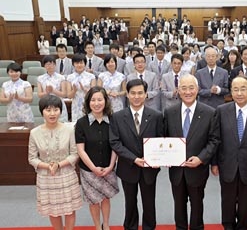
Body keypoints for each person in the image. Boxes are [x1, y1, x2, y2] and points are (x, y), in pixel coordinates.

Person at [211, 75, 247, 230]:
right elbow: (216, 140)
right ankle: (228, 226)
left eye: (243, 89)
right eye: (235, 89)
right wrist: (214, 163)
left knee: (245, 202)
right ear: (231, 91)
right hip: (227, 164)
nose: (239, 93)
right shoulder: (222, 110)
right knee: (227, 200)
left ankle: (242, 226)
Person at [164, 74, 220, 230]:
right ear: (178, 90)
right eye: (183, 88)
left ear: (198, 89)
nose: (187, 92)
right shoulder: (170, 112)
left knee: (197, 205)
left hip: (198, 169)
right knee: (179, 205)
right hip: (176, 170)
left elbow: (214, 140)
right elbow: (165, 138)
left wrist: (201, 159)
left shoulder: (209, 112)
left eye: (191, 88)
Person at [109, 79, 164, 230]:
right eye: (132, 93)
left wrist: (160, 157)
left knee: (149, 202)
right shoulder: (118, 117)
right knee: (130, 202)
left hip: (149, 167)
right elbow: (115, 143)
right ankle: (130, 226)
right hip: (128, 167)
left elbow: (161, 140)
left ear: (146, 94)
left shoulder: (157, 116)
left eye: (140, 93)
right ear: (127, 94)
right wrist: (134, 159)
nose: (136, 96)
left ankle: (149, 227)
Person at [28, 95, 82, 230]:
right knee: (53, 210)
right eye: (48, 110)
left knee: (69, 209)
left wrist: (59, 164)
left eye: (55, 109)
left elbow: (75, 154)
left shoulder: (69, 129)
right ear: (42, 112)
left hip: (66, 175)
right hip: (46, 177)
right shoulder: (34, 133)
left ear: (60, 111)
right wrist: (47, 166)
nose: (52, 113)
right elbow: (32, 158)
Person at [75, 86, 119, 230]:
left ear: (106, 101)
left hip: (108, 167)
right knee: (93, 200)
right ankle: (97, 226)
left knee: (105, 198)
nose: (96, 103)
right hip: (88, 170)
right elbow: (80, 150)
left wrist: (111, 166)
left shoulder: (114, 120)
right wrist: (93, 168)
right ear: (88, 102)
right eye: (93, 100)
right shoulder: (81, 123)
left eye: (100, 99)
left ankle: (106, 225)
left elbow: (115, 146)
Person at [38, 55, 68, 122]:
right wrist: (47, 92)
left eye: (52, 64)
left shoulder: (61, 77)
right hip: (46, 105)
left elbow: (64, 94)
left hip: (59, 104)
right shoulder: (40, 78)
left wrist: (53, 91)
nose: (50, 66)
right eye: (47, 64)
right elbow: (39, 95)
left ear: (55, 65)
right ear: (44, 66)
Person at [66, 54, 96, 122]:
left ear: (85, 64)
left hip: (88, 104)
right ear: (73, 64)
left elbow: (94, 94)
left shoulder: (91, 76)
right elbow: (69, 96)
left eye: (81, 63)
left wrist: (85, 90)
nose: (79, 65)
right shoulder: (69, 77)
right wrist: (74, 91)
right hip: (75, 106)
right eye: (77, 63)